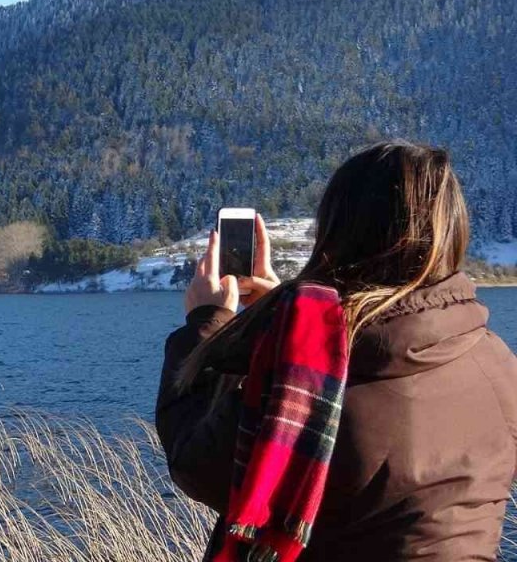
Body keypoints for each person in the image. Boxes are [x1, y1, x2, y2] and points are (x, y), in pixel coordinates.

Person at [155, 142, 517, 561]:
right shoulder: (497, 363)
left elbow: (197, 464)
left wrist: (207, 323)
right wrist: (295, 326)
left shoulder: (315, 384)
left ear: (339, 234)